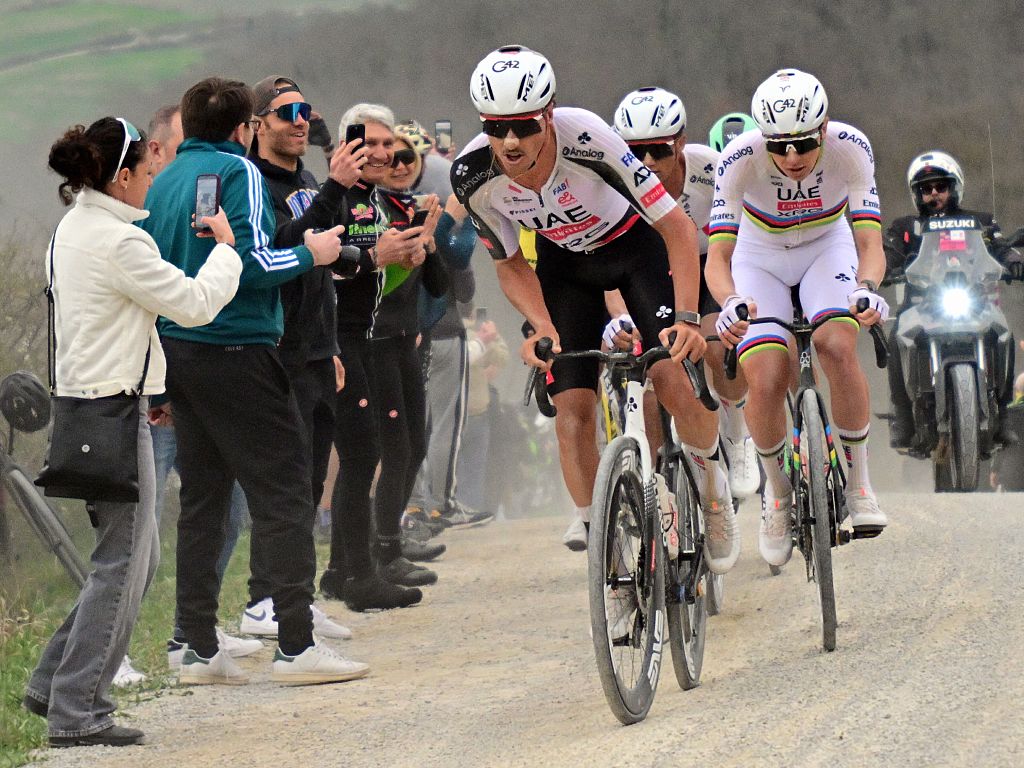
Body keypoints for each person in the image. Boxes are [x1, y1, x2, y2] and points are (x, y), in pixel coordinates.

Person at [454, 46, 739, 576]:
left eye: (523, 126)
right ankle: (598, 535)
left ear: (549, 112)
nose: (510, 142)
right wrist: (541, 325)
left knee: (670, 377)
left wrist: (684, 318)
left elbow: (676, 227)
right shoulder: (472, 175)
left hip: (633, 252)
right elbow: (511, 263)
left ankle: (714, 491)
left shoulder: (587, 138)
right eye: (496, 127)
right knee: (571, 410)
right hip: (565, 270)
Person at [141, 77, 367, 685]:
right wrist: (311, 254)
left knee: (204, 501)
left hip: (177, 352)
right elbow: (247, 264)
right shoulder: (238, 172)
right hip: (236, 346)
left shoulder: (159, 183)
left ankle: (194, 646)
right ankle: (296, 643)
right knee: (286, 493)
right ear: (245, 128)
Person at [24, 116, 241, 747]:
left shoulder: (77, 227)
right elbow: (195, 305)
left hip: (92, 406)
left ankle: (51, 685)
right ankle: (77, 709)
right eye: (147, 172)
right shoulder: (120, 243)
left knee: (125, 566)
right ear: (121, 176)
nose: (153, 182)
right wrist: (226, 248)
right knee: (123, 567)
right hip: (114, 413)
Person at [707, 68, 889, 569]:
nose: (791, 158)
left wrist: (867, 290)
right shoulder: (738, 158)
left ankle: (859, 486)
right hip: (759, 256)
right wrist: (728, 302)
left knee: (835, 343)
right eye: (778, 146)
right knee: (765, 373)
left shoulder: (851, 148)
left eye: (804, 144)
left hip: (825, 249)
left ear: (825, 128)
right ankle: (779, 495)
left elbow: (869, 244)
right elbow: (718, 260)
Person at [238, 75, 360, 641]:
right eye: (286, 111)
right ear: (258, 122)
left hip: (315, 347)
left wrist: (331, 346)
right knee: (284, 482)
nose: (300, 120)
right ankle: (262, 597)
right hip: (278, 348)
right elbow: (286, 243)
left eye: (305, 109)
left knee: (311, 480)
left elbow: (324, 265)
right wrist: (335, 188)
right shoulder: (253, 181)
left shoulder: (307, 178)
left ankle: (295, 596)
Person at [140, 103, 260, 676]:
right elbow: (174, 303)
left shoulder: (170, 196)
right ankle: (116, 655)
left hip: (178, 372)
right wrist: (229, 249)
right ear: (157, 151)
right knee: (141, 531)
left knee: (219, 512)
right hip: (153, 382)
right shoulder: (142, 213)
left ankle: (192, 632)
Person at [610, 87, 760, 503]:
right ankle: (658, 480)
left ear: (679, 141)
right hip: (654, 275)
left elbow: (743, 244)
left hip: (710, 264)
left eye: (657, 151)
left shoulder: (711, 170)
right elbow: (609, 262)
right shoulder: (616, 181)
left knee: (717, 342)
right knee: (655, 367)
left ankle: (736, 427)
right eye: (634, 152)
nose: (646, 163)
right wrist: (617, 315)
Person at [318, 102, 432, 611]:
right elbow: (322, 262)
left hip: (364, 336)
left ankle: (345, 570)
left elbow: (381, 271)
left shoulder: (377, 200)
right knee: (361, 456)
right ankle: (356, 572)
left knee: (368, 456)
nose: (384, 153)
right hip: (342, 339)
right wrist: (375, 259)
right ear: (348, 146)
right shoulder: (340, 197)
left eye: (391, 144)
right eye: (374, 143)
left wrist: (408, 255)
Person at [884, 150, 1020, 448]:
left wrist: (1013, 260)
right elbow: (889, 254)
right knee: (895, 337)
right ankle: (904, 416)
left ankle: (1005, 411)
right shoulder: (905, 227)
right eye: (926, 188)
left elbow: (1000, 247)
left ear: (954, 187)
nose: (934, 194)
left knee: (1005, 334)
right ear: (916, 194)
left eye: (940, 186)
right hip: (920, 305)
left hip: (975, 303)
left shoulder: (981, 222)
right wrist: (882, 268)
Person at [366, 129, 447, 582]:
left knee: (415, 446)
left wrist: (428, 241)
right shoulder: (370, 208)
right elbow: (372, 282)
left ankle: (388, 542)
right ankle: (382, 550)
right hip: (375, 341)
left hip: (406, 338)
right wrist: (406, 248)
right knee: (392, 450)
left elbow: (440, 287)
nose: (398, 165)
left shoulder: (412, 209)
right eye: (390, 158)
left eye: (407, 158)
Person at [991, 373, 1024, 490]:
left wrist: (995, 469)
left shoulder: (1009, 413)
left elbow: (1004, 445)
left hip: (1013, 475)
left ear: (1018, 392)